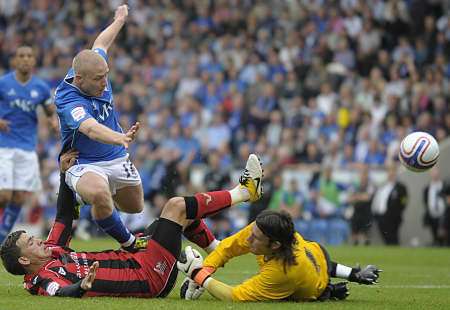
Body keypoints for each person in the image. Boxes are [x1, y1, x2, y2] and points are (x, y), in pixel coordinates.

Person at [0, 152, 264, 298]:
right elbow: (58, 292)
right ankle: (243, 192)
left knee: (176, 219)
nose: (39, 241)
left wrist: (64, 173)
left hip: (136, 259)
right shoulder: (42, 277)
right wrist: (80, 287)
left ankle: (213, 257)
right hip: (146, 277)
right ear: (24, 261)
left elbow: (63, 217)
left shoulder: (52, 251)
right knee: (175, 208)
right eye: (31, 243)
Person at [53, 4, 155, 251]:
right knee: (100, 195)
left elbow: (101, 43)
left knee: (135, 206)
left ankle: (91, 199)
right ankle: (129, 243)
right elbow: (90, 128)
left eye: (106, 75)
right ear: (80, 80)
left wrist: (119, 20)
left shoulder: (93, 66)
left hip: (116, 158)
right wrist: (119, 137)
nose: (104, 82)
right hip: (84, 161)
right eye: (98, 79)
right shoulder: (67, 99)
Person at [177, 210, 381, 302]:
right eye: (251, 232)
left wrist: (198, 275)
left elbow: (234, 296)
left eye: (255, 238)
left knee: (297, 292)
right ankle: (352, 275)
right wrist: (207, 269)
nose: (248, 240)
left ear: (274, 245)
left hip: (313, 285)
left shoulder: (283, 272)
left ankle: (329, 291)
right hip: (317, 256)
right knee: (321, 265)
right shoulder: (263, 228)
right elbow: (227, 248)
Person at [0, 46, 57, 243]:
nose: (25, 59)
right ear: (14, 60)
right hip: (4, 146)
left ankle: (1, 240)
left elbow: (50, 112)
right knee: (4, 196)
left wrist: (53, 124)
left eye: (29, 56)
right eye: (21, 56)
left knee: (18, 198)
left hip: (27, 148)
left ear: (34, 61)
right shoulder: (3, 83)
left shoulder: (40, 88)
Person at [371, 164, 408, 245]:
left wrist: (398, 211)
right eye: (389, 172)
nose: (391, 174)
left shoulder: (400, 187)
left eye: (393, 172)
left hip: (393, 217)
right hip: (381, 217)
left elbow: (404, 201)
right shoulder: (383, 186)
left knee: (393, 236)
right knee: (385, 237)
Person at [422, 167, 446, 246]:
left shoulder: (445, 185)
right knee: (434, 234)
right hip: (432, 215)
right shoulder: (427, 188)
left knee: (444, 235)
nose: (434, 174)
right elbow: (426, 201)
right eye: (433, 173)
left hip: (444, 215)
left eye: (436, 172)